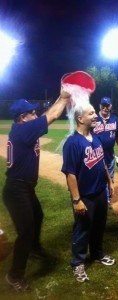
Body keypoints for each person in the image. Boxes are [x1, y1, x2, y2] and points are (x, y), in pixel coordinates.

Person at [2, 88, 70, 292]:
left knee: (38, 216)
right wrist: (66, 98)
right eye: (32, 113)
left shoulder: (24, 127)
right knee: (26, 230)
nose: (36, 115)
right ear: (23, 117)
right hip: (16, 190)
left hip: (24, 188)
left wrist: (61, 95)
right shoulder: (24, 130)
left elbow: (47, 115)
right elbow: (53, 115)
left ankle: (34, 248)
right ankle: (14, 275)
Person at [61, 102, 115, 283]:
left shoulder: (96, 137)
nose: (95, 116)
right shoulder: (72, 143)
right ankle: (78, 263)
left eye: (94, 113)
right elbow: (70, 174)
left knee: (99, 226)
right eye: (91, 113)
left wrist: (109, 182)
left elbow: (102, 162)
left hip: (100, 191)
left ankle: (97, 253)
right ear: (80, 118)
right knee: (82, 229)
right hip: (84, 196)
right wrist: (77, 200)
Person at [93, 96, 118, 208]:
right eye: (103, 105)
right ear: (100, 106)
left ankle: (108, 200)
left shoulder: (115, 119)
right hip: (96, 156)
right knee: (97, 178)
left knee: (110, 178)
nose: (105, 108)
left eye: (107, 106)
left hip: (109, 155)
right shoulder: (94, 118)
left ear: (111, 106)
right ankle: (99, 199)